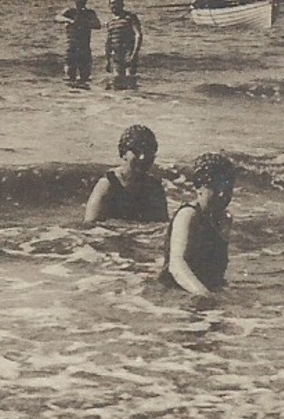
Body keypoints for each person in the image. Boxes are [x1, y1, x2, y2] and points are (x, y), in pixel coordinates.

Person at [160, 151, 239, 296]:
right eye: (216, 187)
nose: (223, 194)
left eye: (227, 188)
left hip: (203, 289)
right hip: (176, 292)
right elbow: (176, 265)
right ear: (199, 187)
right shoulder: (188, 215)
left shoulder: (224, 219)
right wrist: (204, 294)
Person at [85, 123, 169, 224]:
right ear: (123, 153)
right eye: (137, 151)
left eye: (148, 151)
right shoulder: (109, 184)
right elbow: (90, 226)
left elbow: (162, 226)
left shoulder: (154, 187)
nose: (143, 157)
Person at [54, 0, 102, 82]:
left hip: (84, 48)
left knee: (85, 77)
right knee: (69, 77)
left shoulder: (89, 13)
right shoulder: (70, 12)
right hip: (72, 48)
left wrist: (86, 23)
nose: (81, 0)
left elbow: (98, 25)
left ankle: (84, 95)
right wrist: (69, 20)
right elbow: (57, 17)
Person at [103, 0, 145, 87]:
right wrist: (107, 60)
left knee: (130, 82)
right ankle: (121, 102)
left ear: (122, 5)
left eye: (116, 3)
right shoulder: (110, 22)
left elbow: (138, 35)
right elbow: (108, 41)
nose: (114, 6)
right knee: (117, 83)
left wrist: (134, 54)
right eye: (111, 4)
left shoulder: (130, 17)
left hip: (128, 53)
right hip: (116, 55)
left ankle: (133, 100)